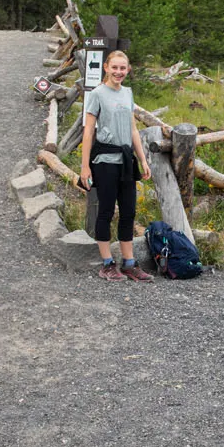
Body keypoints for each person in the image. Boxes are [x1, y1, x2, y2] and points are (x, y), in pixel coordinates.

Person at [80, 50, 153, 282]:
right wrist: (85, 166)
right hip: (105, 161)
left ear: (127, 70)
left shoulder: (127, 94)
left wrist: (142, 159)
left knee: (129, 212)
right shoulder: (97, 94)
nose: (119, 72)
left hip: (126, 161)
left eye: (123, 68)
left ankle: (129, 263)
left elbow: (132, 129)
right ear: (106, 68)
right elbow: (89, 131)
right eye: (115, 68)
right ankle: (107, 263)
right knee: (106, 211)